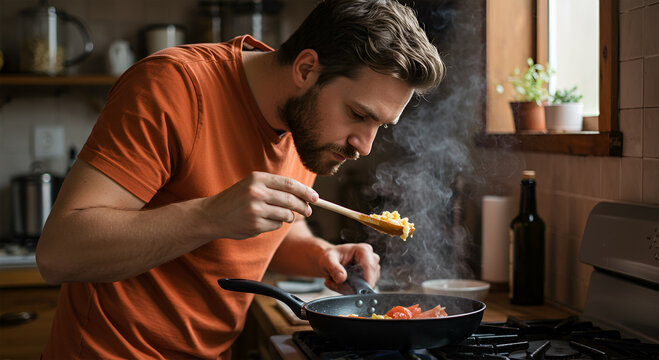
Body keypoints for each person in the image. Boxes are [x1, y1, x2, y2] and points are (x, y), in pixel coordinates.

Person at [35, 0, 444, 358]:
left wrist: (319, 255)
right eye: (358, 114)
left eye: (381, 126)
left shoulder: (306, 129)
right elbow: (59, 254)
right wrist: (210, 215)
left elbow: (272, 225)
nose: (366, 145)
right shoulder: (172, 88)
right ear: (306, 69)